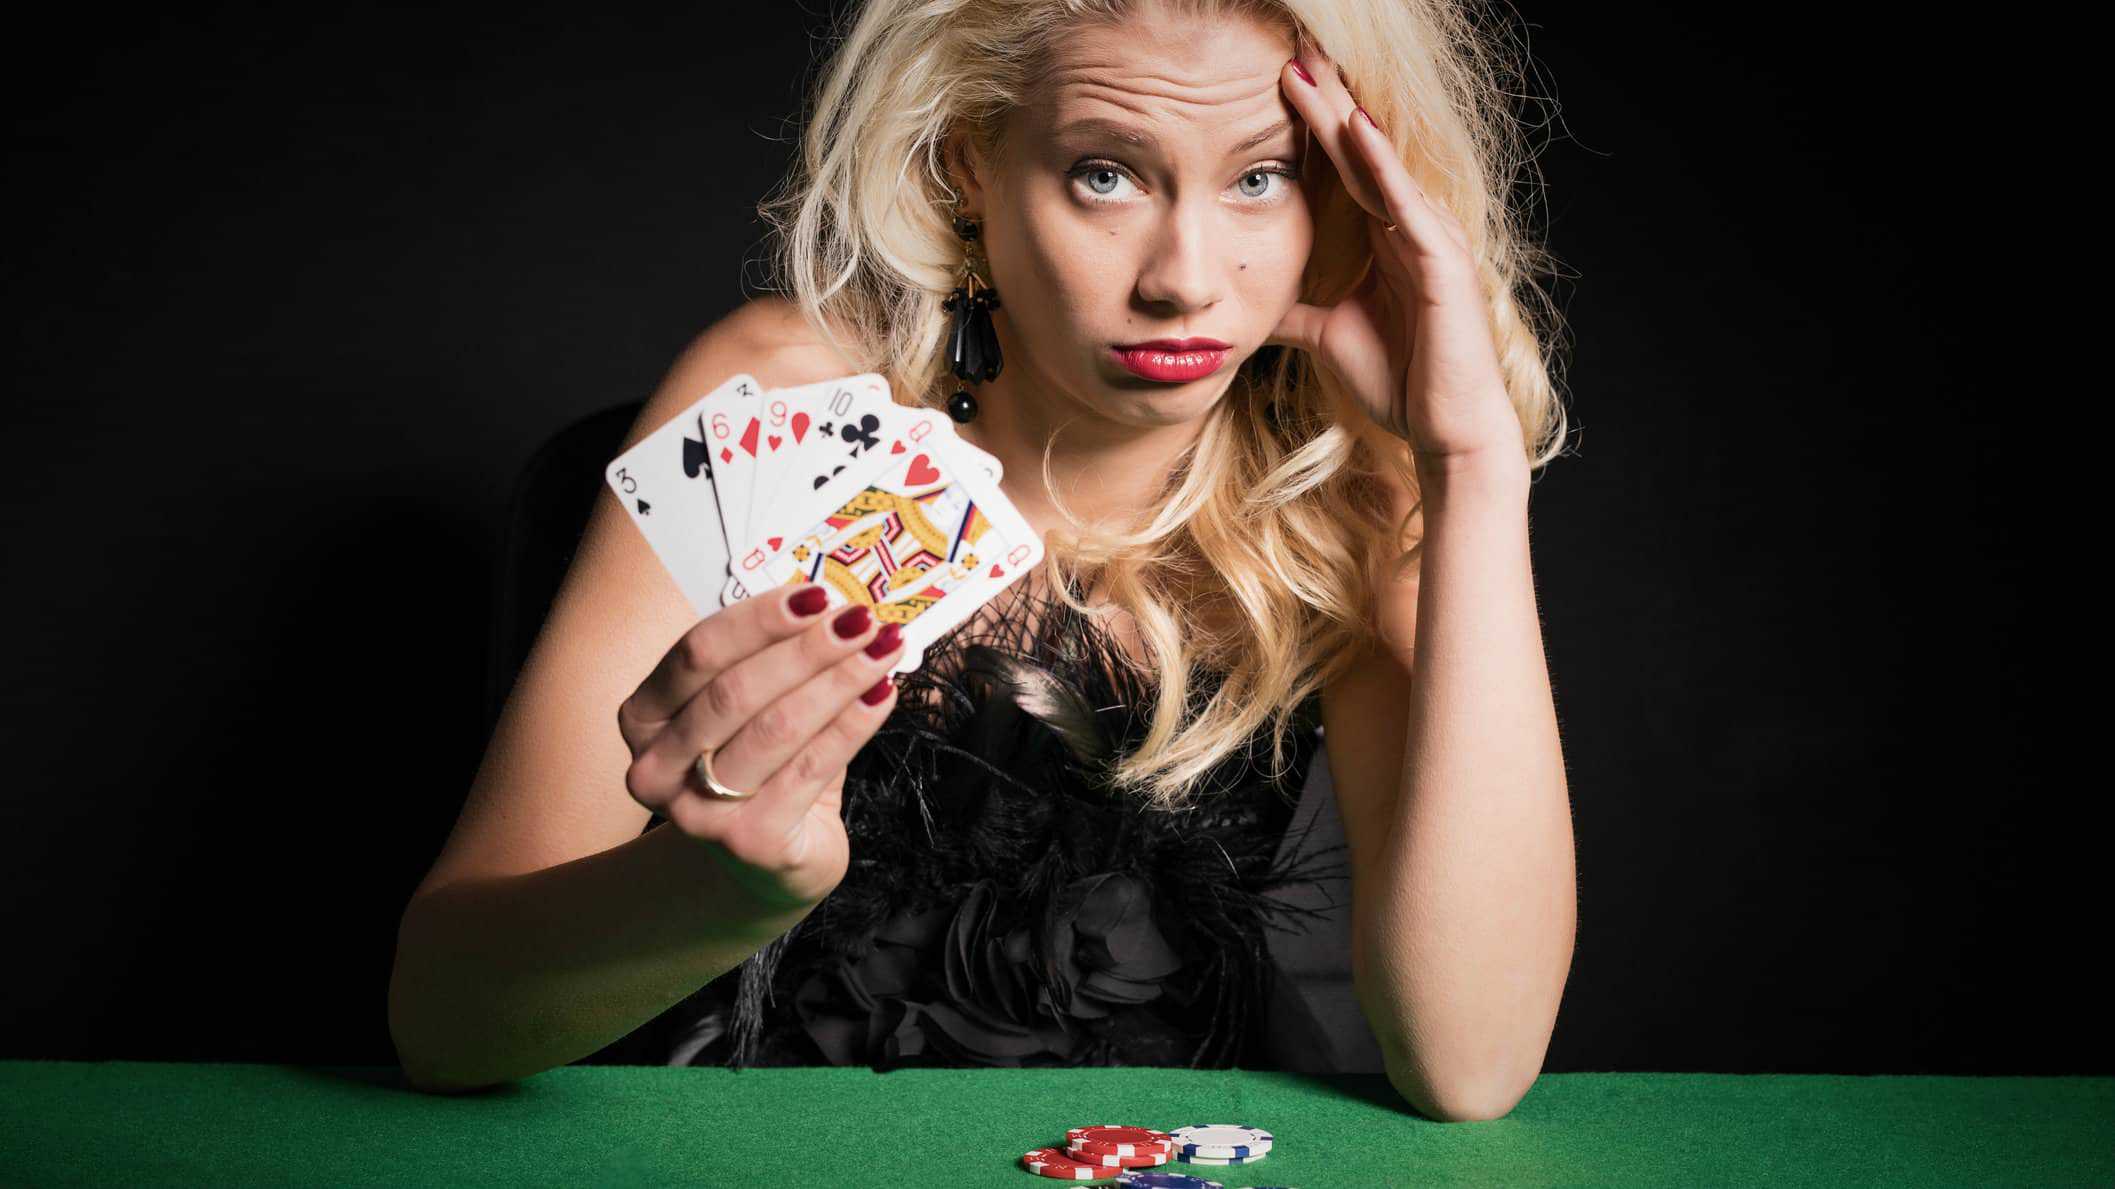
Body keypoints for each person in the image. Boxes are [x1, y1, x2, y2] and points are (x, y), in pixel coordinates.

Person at [390, 0, 1575, 1123]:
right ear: (970, 164)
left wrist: (1474, 463)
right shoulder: (786, 407)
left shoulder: (1345, 489)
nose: (1185, 279)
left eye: (1260, 178)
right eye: (1105, 174)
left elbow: (1469, 1062)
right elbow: (441, 1018)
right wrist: (717, 892)